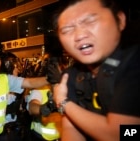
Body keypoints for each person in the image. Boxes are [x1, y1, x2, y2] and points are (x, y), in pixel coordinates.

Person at [46, 0, 140, 140]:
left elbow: (123, 133)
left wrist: (63, 102)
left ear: (120, 20)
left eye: (90, 21)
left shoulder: (135, 62)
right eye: (67, 30)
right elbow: (70, 129)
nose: (79, 35)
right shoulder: (71, 76)